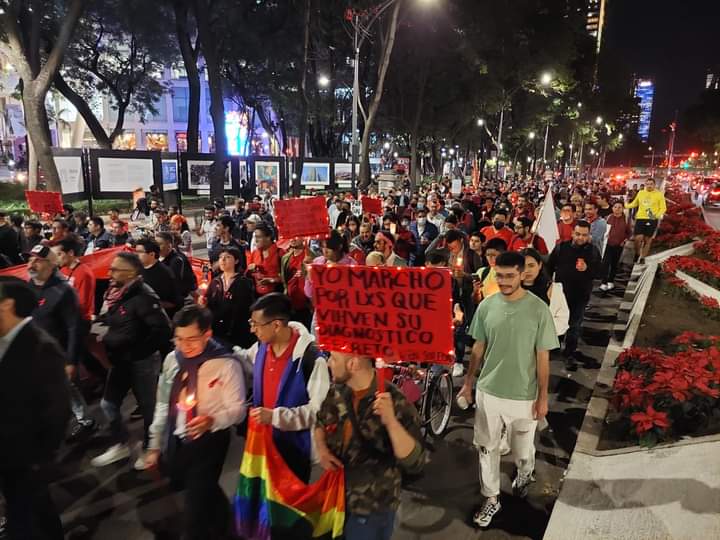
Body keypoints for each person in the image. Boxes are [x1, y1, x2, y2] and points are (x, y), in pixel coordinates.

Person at [458, 251, 559, 529]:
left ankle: (525, 471)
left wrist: (542, 398)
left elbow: (542, 358)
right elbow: (477, 349)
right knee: (487, 448)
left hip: (524, 398)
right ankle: (491, 498)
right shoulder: (486, 307)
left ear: (521, 275)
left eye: (509, 275)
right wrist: (468, 384)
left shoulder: (539, 310)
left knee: (522, 451)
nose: (503, 281)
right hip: (488, 392)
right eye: (499, 275)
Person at [145, 305, 246, 539]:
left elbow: (238, 410)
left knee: (194, 511)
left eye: (191, 339)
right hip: (178, 436)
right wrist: (154, 444)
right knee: (204, 490)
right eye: (178, 339)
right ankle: (229, 527)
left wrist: (212, 420)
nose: (184, 346)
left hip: (210, 439)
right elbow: (162, 403)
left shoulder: (225, 364)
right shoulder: (173, 360)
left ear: (207, 334)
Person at [315, 350, 425, 540]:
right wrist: (321, 448)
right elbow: (320, 421)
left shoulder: (397, 402)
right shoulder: (337, 391)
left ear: (353, 364)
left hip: (371, 507)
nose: (328, 363)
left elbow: (416, 462)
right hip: (336, 497)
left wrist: (391, 422)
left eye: (333, 358)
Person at [0, 277, 71, 540]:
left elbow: (56, 411)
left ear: (6, 305)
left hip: (26, 458)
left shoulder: (40, 348)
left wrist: (38, 459)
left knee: (31, 517)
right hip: (10, 456)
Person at [236, 293, 330, 482]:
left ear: (276, 325)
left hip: (294, 450)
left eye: (256, 324)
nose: (252, 329)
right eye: (251, 322)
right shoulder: (261, 348)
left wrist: (275, 417)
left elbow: (319, 412)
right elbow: (244, 360)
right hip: (264, 445)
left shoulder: (311, 360)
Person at [91, 252, 172, 469]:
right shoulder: (114, 293)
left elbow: (163, 330)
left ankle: (152, 447)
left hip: (141, 362)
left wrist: (139, 352)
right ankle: (121, 443)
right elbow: (111, 319)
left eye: (115, 269)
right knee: (108, 404)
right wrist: (99, 326)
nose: (109, 273)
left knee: (148, 408)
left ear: (132, 273)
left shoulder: (144, 296)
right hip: (120, 361)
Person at [26, 244, 94, 440]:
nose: (31, 264)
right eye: (30, 259)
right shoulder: (30, 286)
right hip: (35, 352)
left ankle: (85, 421)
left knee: (69, 389)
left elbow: (74, 328)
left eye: (37, 260)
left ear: (50, 264)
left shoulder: (63, 291)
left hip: (59, 353)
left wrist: (71, 361)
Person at [546, 221, 602, 371]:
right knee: (556, 321)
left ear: (589, 235)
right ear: (572, 233)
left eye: (584, 235)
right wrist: (549, 285)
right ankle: (553, 347)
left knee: (574, 325)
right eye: (578, 234)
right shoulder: (561, 248)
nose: (580, 238)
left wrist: (587, 269)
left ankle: (569, 353)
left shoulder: (593, 251)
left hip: (580, 295)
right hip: (560, 294)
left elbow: (600, 272)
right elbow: (549, 267)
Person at [202, 247, 255, 349]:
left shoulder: (243, 282)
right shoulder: (215, 281)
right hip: (218, 330)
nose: (222, 260)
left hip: (237, 331)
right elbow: (208, 302)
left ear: (236, 261)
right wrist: (204, 303)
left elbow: (245, 308)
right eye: (221, 257)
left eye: (227, 257)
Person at [136, 238, 183, 320]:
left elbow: (174, 302)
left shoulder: (164, 273)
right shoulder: (138, 269)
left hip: (161, 318)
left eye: (140, 252)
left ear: (152, 254)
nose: (136, 255)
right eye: (136, 251)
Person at [625, 177, 666, 261]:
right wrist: (625, 205)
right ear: (645, 185)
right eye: (647, 184)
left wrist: (656, 216)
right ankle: (637, 253)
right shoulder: (641, 193)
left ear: (654, 185)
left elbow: (663, 208)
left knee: (648, 240)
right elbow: (634, 203)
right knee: (638, 238)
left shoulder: (659, 194)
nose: (649, 186)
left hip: (652, 219)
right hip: (640, 218)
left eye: (651, 184)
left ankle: (643, 257)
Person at [280, 238, 313, 331]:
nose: (292, 239)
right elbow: (284, 280)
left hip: (306, 306)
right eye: (290, 236)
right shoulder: (285, 258)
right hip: (290, 303)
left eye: (296, 236)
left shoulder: (312, 257)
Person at [600, 200, 633, 292]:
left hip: (619, 245)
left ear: (623, 209)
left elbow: (629, 233)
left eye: (619, 207)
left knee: (614, 264)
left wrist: (625, 240)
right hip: (608, 244)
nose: (617, 209)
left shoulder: (626, 219)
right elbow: (604, 230)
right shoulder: (608, 217)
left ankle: (611, 280)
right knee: (605, 263)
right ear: (612, 208)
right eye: (615, 207)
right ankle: (603, 282)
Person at [156, 231, 197, 301]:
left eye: (159, 244)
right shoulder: (159, 258)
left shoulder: (177, 260)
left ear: (169, 245)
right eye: (155, 244)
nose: (156, 247)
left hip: (182, 300)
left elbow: (175, 285)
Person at [247, 223, 283, 297]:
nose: (255, 240)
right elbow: (248, 274)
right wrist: (251, 270)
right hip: (258, 296)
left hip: (276, 295)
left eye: (258, 237)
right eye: (255, 237)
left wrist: (272, 280)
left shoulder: (280, 253)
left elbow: (289, 277)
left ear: (268, 237)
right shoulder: (254, 253)